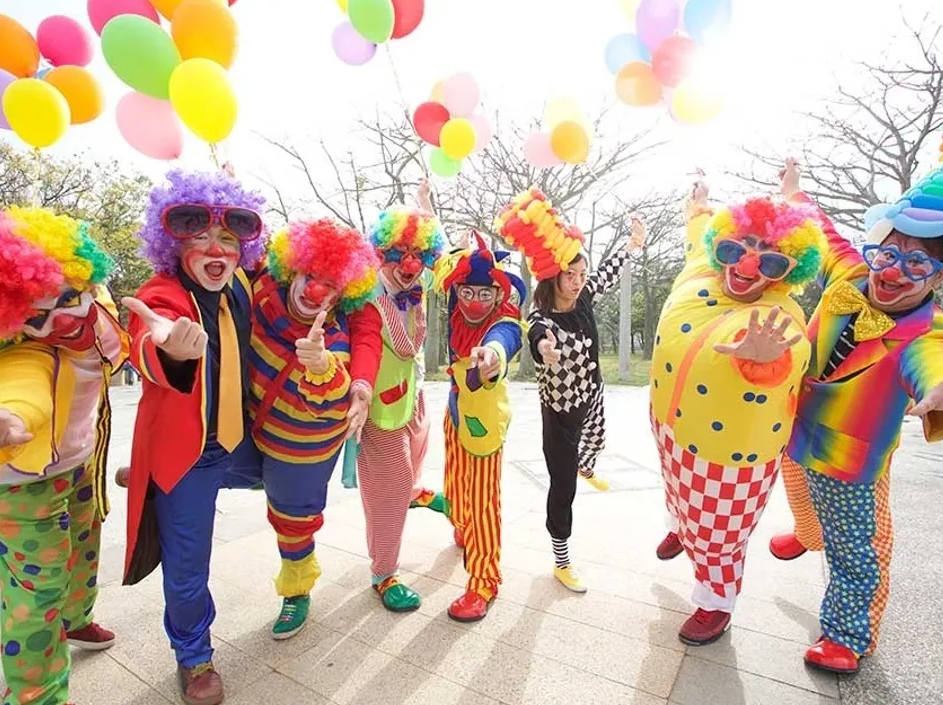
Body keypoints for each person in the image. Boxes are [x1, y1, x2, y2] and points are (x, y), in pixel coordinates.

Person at [768, 160, 943, 673]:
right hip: (794, 428)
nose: (893, 272)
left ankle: (847, 635)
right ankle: (807, 534)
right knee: (798, 493)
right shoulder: (850, 273)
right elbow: (822, 232)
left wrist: (937, 389)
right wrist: (794, 193)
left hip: (850, 460)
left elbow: (932, 361)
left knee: (858, 548)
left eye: (917, 263)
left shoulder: (928, 329)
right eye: (889, 253)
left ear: (939, 276)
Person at [650, 174, 826, 645]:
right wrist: (699, 207)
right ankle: (681, 530)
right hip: (669, 422)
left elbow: (788, 352)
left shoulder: (780, 314)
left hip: (728, 453)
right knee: (675, 492)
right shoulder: (701, 268)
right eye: (734, 249)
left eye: (769, 260)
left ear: (788, 272)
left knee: (720, 533)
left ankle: (715, 604)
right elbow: (697, 239)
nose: (746, 265)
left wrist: (764, 361)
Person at [121, 170, 266, 705]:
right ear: (174, 245)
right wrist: (168, 349)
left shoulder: (242, 286)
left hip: (241, 438)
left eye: (228, 238)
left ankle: (147, 477)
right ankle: (194, 655)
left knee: (297, 479)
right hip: (192, 451)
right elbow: (149, 332)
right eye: (198, 236)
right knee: (188, 564)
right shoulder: (162, 293)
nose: (215, 249)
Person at [0, 207, 128, 705]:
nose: (63, 319)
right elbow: (22, 387)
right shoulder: (23, 352)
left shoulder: (95, 302)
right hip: (24, 485)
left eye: (70, 298)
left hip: (80, 464)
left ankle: (77, 620)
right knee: (37, 594)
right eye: (38, 316)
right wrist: (11, 417)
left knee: (84, 548)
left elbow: (115, 343)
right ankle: (35, 695)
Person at [233, 217, 382, 639]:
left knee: (293, 519)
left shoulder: (334, 336)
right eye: (310, 276)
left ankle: (296, 591)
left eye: (329, 286)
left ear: (342, 295)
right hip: (251, 422)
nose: (315, 291)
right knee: (203, 463)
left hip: (301, 445)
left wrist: (321, 366)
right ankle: (165, 475)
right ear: (291, 269)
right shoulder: (261, 290)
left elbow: (331, 398)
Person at [496, 187, 644, 592]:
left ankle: (587, 463)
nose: (578, 283)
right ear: (553, 276)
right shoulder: (541, 316)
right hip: (560, 414)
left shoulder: (585, 297)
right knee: (564, 487)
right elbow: (536, 336)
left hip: (592, 394)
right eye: (570, 276)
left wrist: (631, 245)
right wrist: (544, 350)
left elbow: (608, 272)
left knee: (597, 439)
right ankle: (562, 559)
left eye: (581, 275)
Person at [355, 181, 447, 611]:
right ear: (380, 253)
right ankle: (384, 573)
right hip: (378, 407)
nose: (409, 264)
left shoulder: (420, 278)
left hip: (414, 394)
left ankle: (414, 491)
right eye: (398, 254)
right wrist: (359, 389)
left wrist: (427, 206)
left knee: (416, 458)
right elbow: (364, 345)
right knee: (387, 489)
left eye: (417, 254)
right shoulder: (366, 293)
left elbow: (442, 260)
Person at [432, 232, 524, 622]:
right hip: (455, 408)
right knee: (455, 484)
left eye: (485, 294)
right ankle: (462, 522)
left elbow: (508, 336)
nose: (474, 302)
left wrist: (494, 354)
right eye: (467, 292)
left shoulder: (503, 316)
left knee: (483, 500)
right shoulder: (456, 303)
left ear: (498, 294)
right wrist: (428, 212)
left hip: (484, 419)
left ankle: (484, 581)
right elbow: (439, 258)